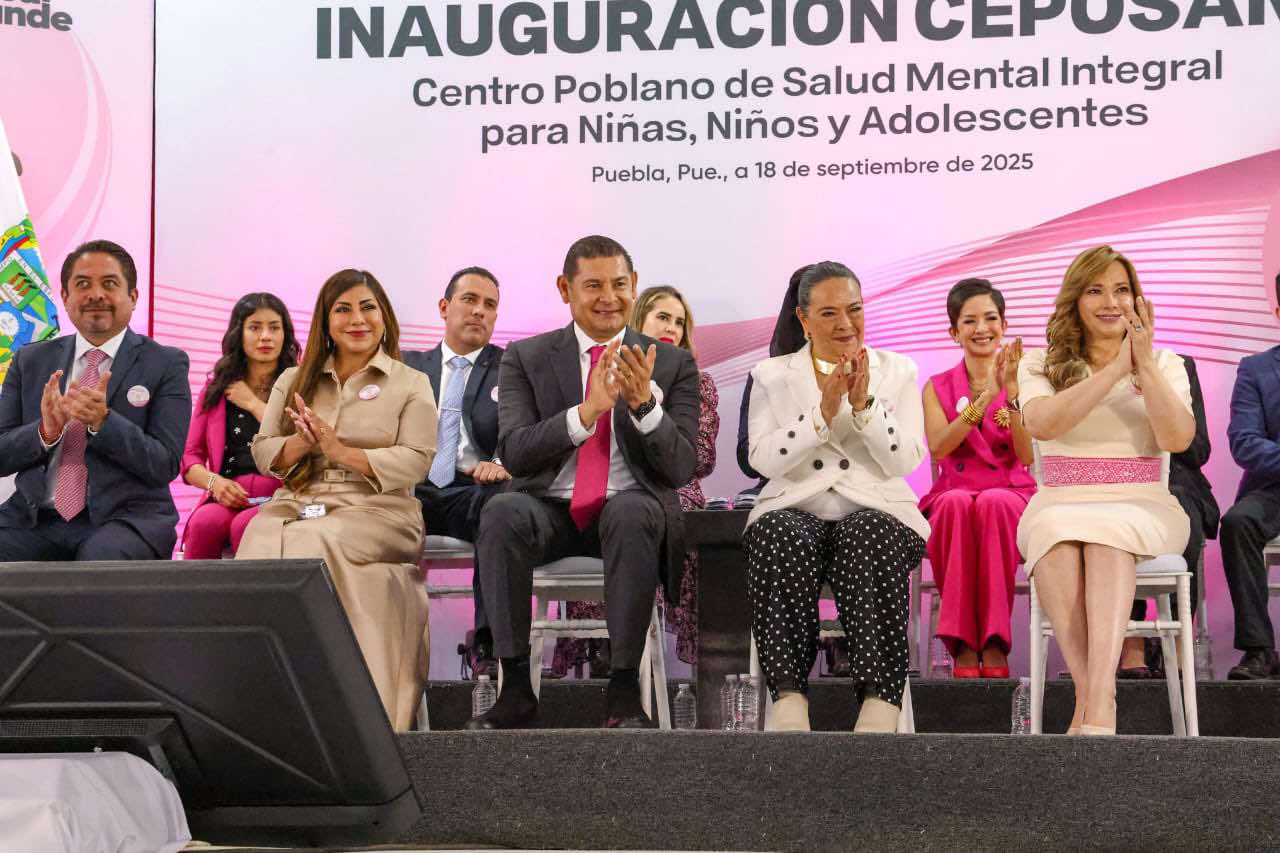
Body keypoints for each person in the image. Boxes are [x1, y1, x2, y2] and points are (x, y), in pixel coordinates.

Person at [466, 235, 700, 730]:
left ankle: (621, 689)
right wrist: (585, 412)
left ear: (634, 286)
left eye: (619, 284)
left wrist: (643, 406)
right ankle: (514, 688)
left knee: (634, 511)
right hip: (549, 510)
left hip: (626, 509)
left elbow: (680, 467)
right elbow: (515, 450)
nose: (608, 297)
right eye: (592, 285)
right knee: (501, 511)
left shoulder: (672, 362)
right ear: (564, 289)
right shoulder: (526, 357)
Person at [236, 269, 437, 732]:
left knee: (320, 539)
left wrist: (341, 452)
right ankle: (268, 704)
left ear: (383, 316)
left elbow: (416, 460)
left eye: (367, 307)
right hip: (301, 500)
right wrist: (304, 444)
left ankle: (343, 706)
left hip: (379, 508)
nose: (357, 319)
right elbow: (265, 450)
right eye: (342, 309)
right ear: (326, 321)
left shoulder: (411, 382)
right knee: (260, 535)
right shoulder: (294, 379)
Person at [744, 261, 929, 733]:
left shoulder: (898, 370)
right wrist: (821, 416)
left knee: (867, 533)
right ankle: (787, 695)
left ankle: (879, 698)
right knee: (777, 532)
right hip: (798, 506)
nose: (845, 324)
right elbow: (763, 459)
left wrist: (865, 408)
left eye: (854, 309)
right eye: (829, 314)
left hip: (876, 508)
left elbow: (905, 460)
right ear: (803, 320)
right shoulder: (770, 374)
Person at [1017, 245, 1193, 735]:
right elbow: (1045, 425)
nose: (1110, 302)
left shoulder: (1165, 362)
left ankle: (1097, 701)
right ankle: (1094, 694)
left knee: (1107, 534)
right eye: (1095, 290)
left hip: (1142, 501)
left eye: (1121, 290)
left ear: (1137, 300)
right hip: (1060, 498)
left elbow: (1177, 439)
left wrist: (1144, 367)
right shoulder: (1039, 363)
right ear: (1075, 301)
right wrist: (1115, 370)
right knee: (1054, 533)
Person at [553, 284, 719, 673]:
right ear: (637, 321)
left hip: (673, 488)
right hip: (612, 486)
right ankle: (606, 645)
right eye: (663, 317)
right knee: (607, 506)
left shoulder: (695, 380)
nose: (672, 328)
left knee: (677, 517)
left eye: (680, 322)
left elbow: (701, 458)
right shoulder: (594, 374)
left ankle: (683, 648)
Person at [0, 240, 190, 561]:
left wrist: (104, 423)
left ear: (133, 297)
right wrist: (45, 432)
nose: (96, 294)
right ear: (65, 297)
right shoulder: (29, 361)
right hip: (34, 520)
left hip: (127, 519)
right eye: (83, 284)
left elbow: (164, 465)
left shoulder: (165, 364)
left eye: (110, 284)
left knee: (98, 565)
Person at [919, 279, 1035, 678]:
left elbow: (1026, 454)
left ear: (1004, 325)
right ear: (954, 332)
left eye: (990, 318)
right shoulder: (936, 387)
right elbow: (938, 448)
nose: (981, 328)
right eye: (970, 321)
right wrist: (985, 398)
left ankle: (994, 642)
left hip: (1010, 491)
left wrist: (1014, 394)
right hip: (953, 490)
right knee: (953, 506)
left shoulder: (1028, 377)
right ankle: (962, 644)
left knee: (994, 503)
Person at [403, 267, 507, 679]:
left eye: (490, 305)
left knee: (501, 510)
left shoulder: (511, 366)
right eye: (470, 300)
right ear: (445, 307)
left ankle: (487, 644)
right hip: (416, 489)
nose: (480, 311)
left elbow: (522, 429)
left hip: (474, 490)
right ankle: (375, 637)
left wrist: (499, 463)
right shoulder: (407, 366)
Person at [1118, 353, 1218, 677]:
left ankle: (1176, 642)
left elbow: (1199, 450)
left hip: (1177, 480)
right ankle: (1130, 643)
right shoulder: (1090, 369)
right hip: (1118, 481)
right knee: (1118, 512)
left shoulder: (1177, 366)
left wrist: (1161, 412)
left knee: (1182, 508)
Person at [181, 293, 299, 558]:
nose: (265, 336)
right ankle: (194, 601)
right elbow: (190, 458)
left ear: (286, 335)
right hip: (228, 493)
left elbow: (303, 442)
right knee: (204, 524)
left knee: (246, 526)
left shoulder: (300, 384)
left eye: (274, 327)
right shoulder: (217, 388)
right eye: (255, 327)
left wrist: (254, 404)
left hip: (282, 496)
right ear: (239, 334)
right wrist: (215, 483)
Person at [1221, 269, 1280, 679]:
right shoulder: (1256, 370)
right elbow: (1244, 442)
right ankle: (1259, 650)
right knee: (1237, 522)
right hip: (1273, 488)